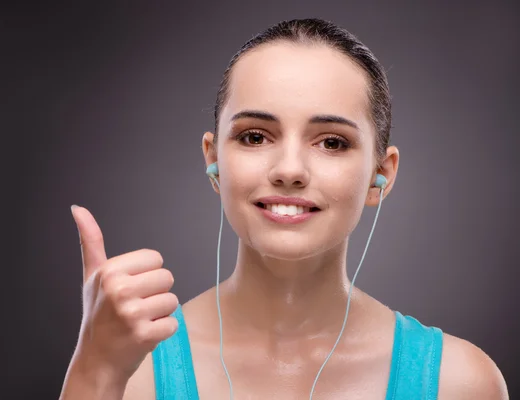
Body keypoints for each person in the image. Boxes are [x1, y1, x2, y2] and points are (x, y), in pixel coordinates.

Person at [59, 18, 509, 399]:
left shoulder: (460, 382)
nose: (289, 170)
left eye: (332, 142)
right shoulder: (131, 374)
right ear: (214, 160)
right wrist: (95, 372)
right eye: (255, 136)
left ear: (382, 175)